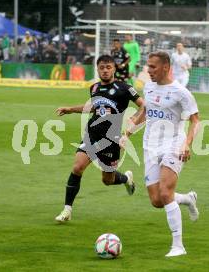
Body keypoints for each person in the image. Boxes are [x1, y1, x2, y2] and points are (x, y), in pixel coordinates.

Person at [120, 51, 200, 257]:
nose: (148, 70)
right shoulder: (149, 86)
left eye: (153, 67)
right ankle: (188, 199)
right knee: (157, 201)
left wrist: (187, 144)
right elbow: (146, 112)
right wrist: (128, 132)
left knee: (165, 193)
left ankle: (178, 246)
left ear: (166, 67)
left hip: (173, 145)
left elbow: (195, 121)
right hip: (150, 146)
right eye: (148, 66)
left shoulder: (181, 92)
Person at [54, 54, 144, 223]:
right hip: (92, 135)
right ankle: (67, 210)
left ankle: (126, 179)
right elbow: (93, 108)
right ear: (97, 69)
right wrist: (70, 109)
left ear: (114, 69)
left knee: (107, 180)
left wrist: (128, 132)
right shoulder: (94, 88)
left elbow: (144, 107)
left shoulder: (124, 88)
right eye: (101, 68)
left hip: (111, 140)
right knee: (78, 167)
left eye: (108, 67)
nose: (105, 71)